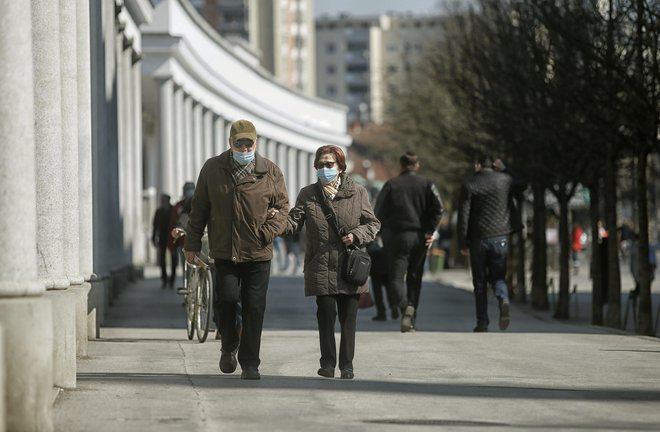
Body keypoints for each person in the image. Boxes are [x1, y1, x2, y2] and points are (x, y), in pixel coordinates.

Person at [184, 119, 288, 380]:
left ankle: (250, 363)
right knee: (227, 301)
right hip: (224, 250)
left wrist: (266, 231)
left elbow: (283, 209)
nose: (244, 148)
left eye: (248, 143)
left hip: (258, 252)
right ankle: (228, 345)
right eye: (238, 143)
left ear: (256, 143)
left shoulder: (271, 172)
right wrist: (192, 244)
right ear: (230, 143)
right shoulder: (212, 168)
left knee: (255, 308)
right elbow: (199, 209)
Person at [283, 145, 380, 379]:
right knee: (325, 316)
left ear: (340, 167)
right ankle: (327, 363)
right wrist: (276, 221)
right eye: (321, 165)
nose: (325, 169)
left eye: (329, 164)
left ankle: (347, 365)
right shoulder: (308, 194)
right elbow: (294, 222)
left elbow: (373, 223)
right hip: (321, 264)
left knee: (348, 319)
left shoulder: (358, 192)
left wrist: (357, 235)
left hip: (349, 267)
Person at [374, 152, 444, 333]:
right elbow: (439, 208)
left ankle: (405, 308)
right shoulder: (427, 184)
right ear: (417, 166)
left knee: (396, 278)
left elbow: (378, 211)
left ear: (401, 165)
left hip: (396, 238)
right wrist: (430, 230)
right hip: (420, 237)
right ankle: (412, 320)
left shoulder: (391, 184)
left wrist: (378, 233)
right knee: (415, 278)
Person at [457, 155, 525, 332]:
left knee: (479, 282)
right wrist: (505, 169)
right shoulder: (505, 180)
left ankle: (482, 322)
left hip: (478, 238)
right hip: (500, 237)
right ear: (494, 165)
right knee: (498, 277)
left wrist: (463, 242)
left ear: (477, 164)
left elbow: (463, 215)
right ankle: (503, 298)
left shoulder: (470, 183)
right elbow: (523, 184)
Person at [168, 182, 195, 288]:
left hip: (201, 241)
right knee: (186, 266)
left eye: (191, 189)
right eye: (188, 189)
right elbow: (174, 226)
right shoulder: (179, 207)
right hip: (184, 243)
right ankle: (188, 288)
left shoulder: (202, 204)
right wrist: (172, 245)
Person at [152, 194, 175, 288]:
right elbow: (155, 225)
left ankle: (172, 279)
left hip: (173, 237)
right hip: (162, 237)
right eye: (162, 200)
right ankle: (164, 279)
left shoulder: (173, 210)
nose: (162, 202)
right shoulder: (159, 211)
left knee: (174, 258)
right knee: (162, 259)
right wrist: (153, 237)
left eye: (164, 200)